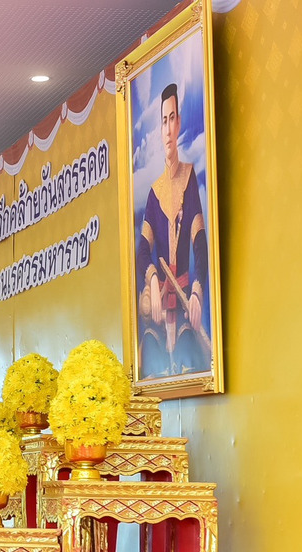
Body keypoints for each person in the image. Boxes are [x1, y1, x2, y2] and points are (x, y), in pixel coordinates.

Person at [136, 83, 210, 379]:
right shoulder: (154, 193)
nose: (168, 129)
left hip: (183, 302)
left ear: (179, 123)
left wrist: (197, 292)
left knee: (189, 353)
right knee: (151, 356)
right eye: (163, 121)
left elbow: (200, 243)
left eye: (172, 119)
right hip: (159, 304)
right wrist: (153, 280)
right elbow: (143, 250)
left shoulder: (189, 178)